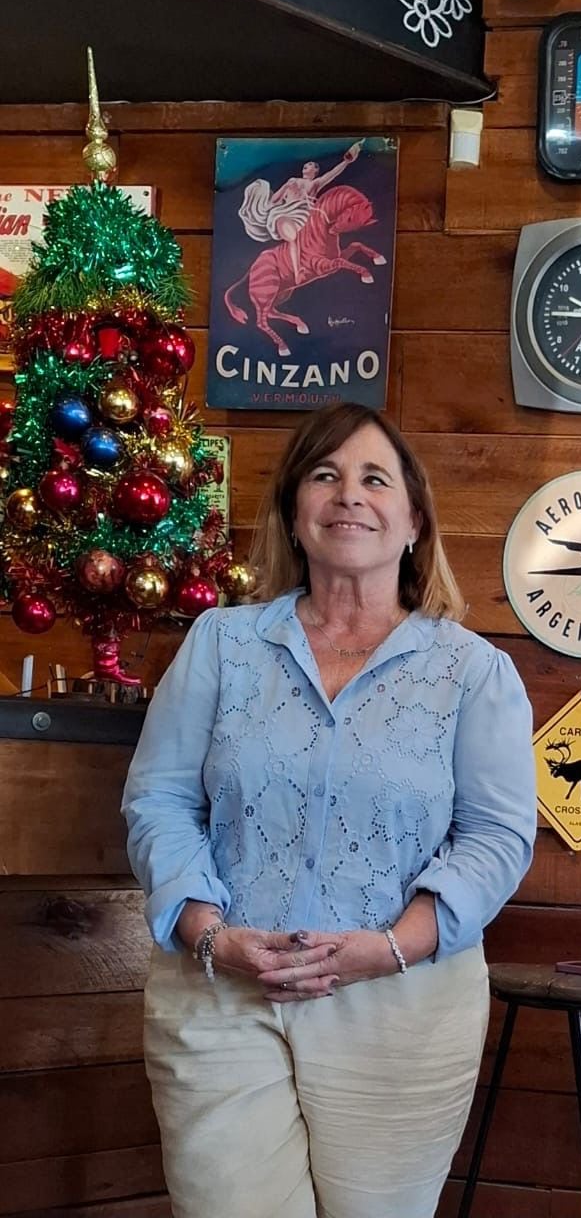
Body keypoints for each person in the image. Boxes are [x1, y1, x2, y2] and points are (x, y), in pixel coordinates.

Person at [122, 402, 537, 1218]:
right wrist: (212, 933)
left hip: (404, 1008)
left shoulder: (473, 671)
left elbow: (495, 839)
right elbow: (159, 799)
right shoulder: (219, 643)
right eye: (325, 475)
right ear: (294, 512)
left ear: (414, 520)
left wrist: (389, 947)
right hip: (220, 990)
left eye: (375, 479)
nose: (349, 494)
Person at [238, 141, 362, 282]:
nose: (305, 167)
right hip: (284, 213)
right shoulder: (292, 180)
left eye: (309, 165)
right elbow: (274, 200)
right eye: (304, 166)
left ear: (315, 171)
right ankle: (298, 272)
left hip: (304, 214)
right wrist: (286, 188)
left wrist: (346, 162)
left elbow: (332, 174)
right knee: (291, 235)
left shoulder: (315, 183)